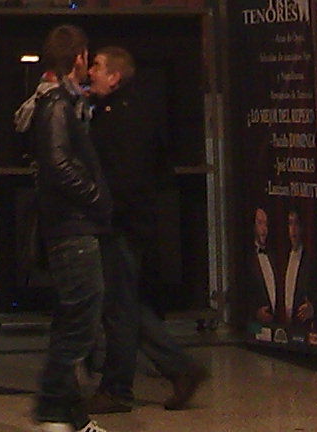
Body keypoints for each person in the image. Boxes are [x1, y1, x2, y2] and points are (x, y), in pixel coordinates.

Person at [84, 46, 206, 414]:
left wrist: (109, 212)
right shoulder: (134, 110)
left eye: (98, 67)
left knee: (120, 307)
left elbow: (123, 174)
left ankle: (122, 387)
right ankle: (175, 369)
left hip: (122, 223)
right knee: (123, 304)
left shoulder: (119, 117)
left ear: (114, 76)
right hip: (131, 221)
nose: (91, 72)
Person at [23, 23, 113, 432]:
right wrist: (95, 196)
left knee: (74, 318)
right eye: (86, 56)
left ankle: (71, 415)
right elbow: (59, 165)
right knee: (81, 320)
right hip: (72, 226)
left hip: (70, 225)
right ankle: (52, 408)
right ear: (77, 57)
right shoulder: (58, 105)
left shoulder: (62, 101)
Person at [249, 204, 280, 326]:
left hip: (278, 326)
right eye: (260, 223)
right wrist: (256, 313)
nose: (264, 229)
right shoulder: (246, 258)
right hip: (254, 326)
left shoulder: (276, 256)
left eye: (266, 224)